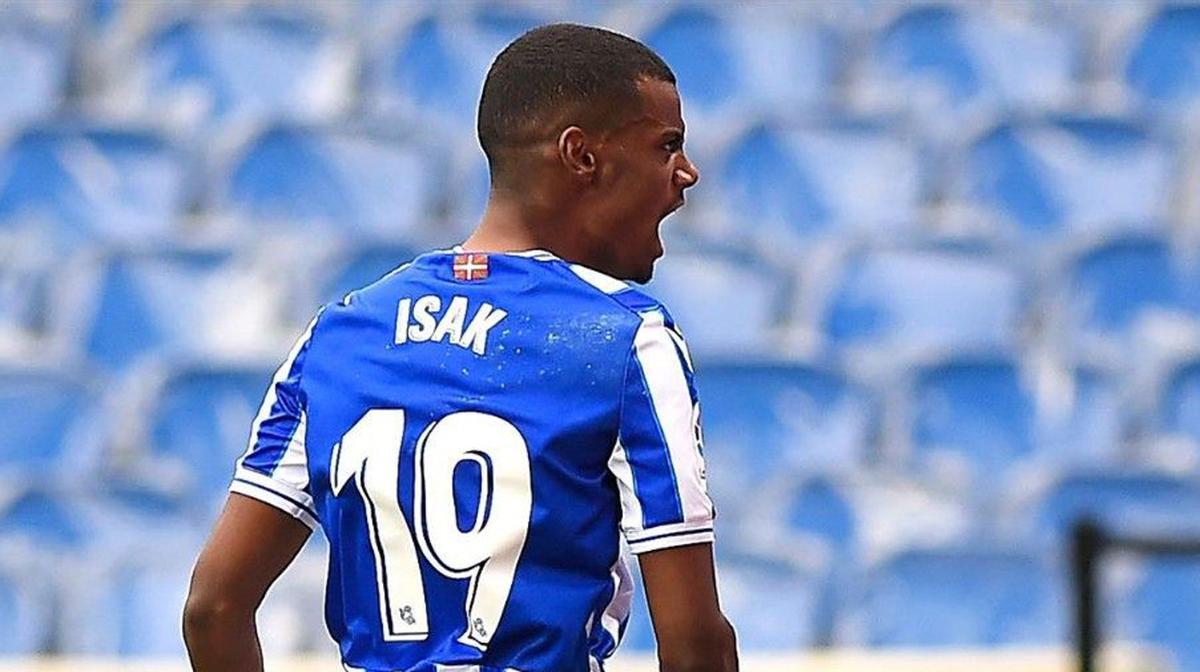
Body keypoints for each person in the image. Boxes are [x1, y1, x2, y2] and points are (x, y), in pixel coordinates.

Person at [183, 22, 738, 672]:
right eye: (666, 145)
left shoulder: (339, 335)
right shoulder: (624, 339)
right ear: (582, 156)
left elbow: (213, 607)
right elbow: (695, 640)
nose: (687, 173)